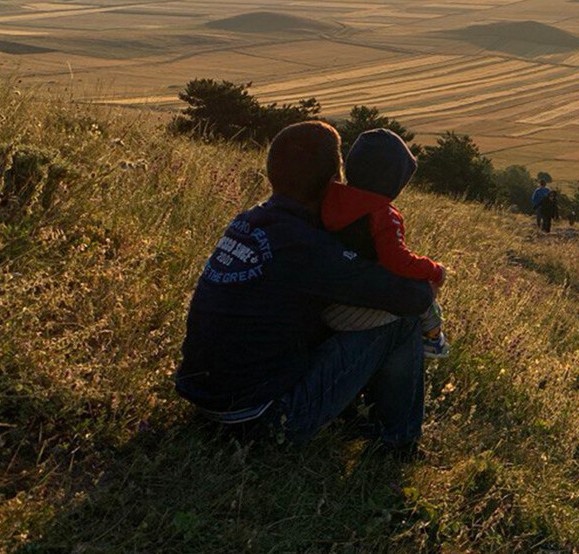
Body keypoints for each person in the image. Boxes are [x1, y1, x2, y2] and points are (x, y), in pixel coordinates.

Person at [175, 121, 434, 456]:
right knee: (402, 320)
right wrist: (421, 276)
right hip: (266, 419)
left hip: (203, 397)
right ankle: (399, 442)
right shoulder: (308, 247)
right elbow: (412, 298)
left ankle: (357, 416)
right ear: (333, 182)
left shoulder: (248, 222)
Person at [321, 128, 449, 359]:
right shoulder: (382, 214)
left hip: (321, 299)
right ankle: (432, 338)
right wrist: (435, 270)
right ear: (394, 180)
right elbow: (396, 261)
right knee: (423, 295)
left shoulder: (329, 196)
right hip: (353, 311)